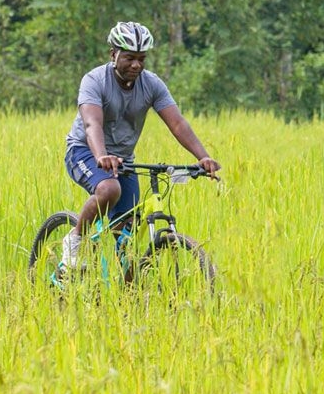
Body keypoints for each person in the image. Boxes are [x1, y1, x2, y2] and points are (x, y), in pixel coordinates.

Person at [56, 21, 220, 281]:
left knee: (127, 238)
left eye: (141, 59)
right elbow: (92, 123)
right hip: (85, 151)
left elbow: (177, 123)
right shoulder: (94, 80)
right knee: (109, 189)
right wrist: (100, 155)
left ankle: (127, 295)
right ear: (113, 55)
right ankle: (75, 240)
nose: (136, 65)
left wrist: (202, 157)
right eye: (129, 58)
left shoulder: (152, 84)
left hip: (124, 162)